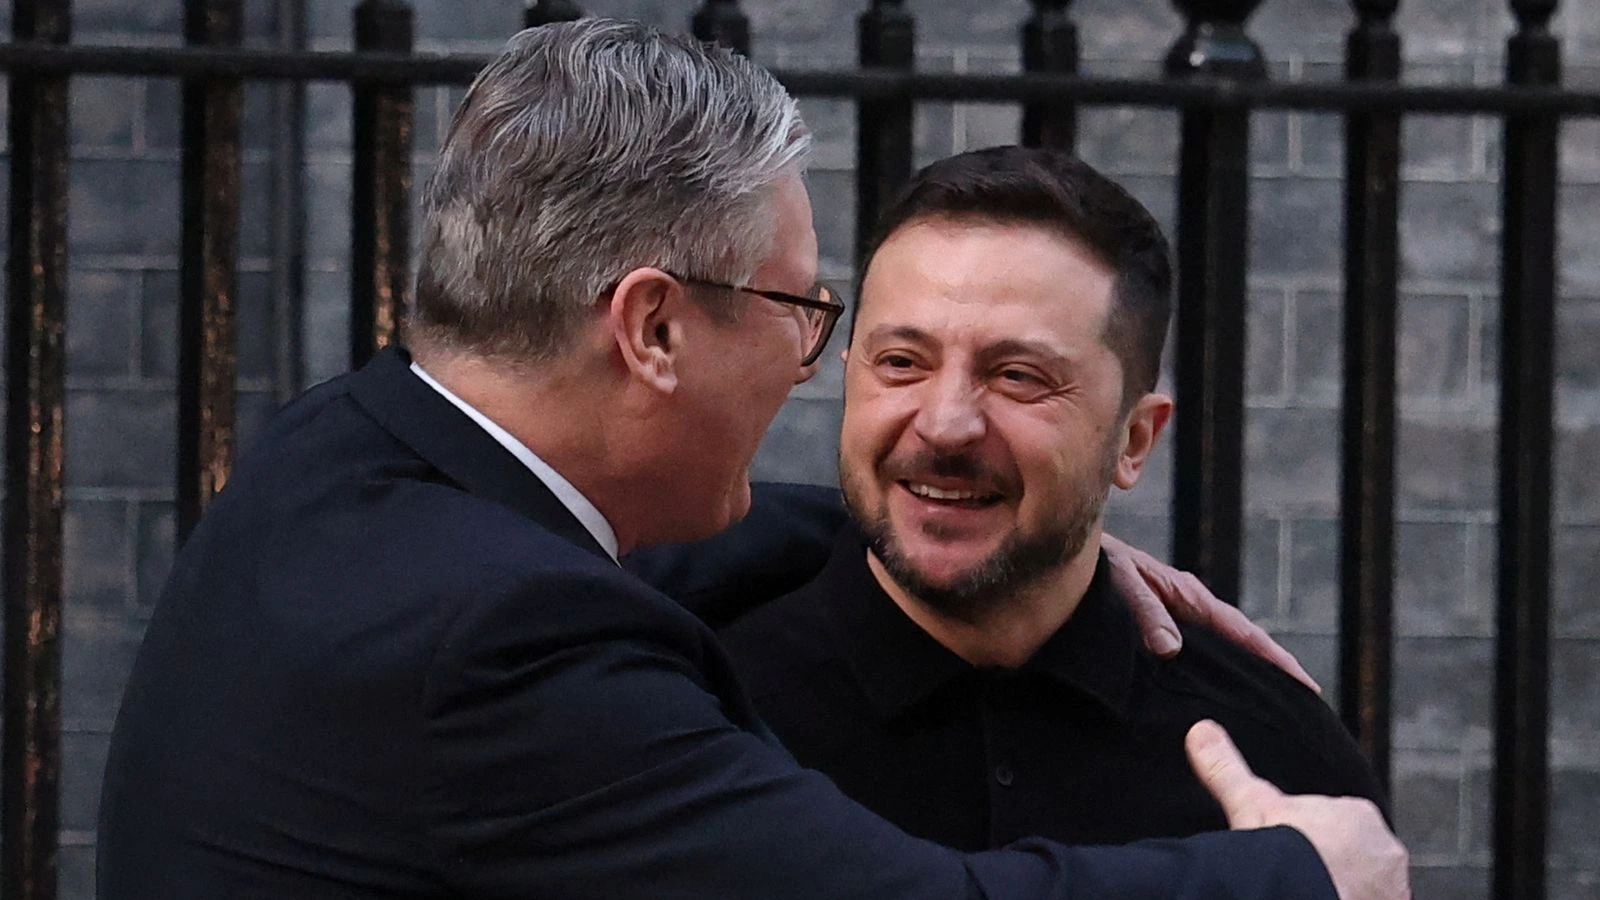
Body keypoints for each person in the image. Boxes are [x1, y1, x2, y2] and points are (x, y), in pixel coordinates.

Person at [97, 20, 1408, 900]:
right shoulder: (512, 641)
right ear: (656, 327)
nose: (805, 362)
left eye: (1022, 381)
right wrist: (1301, 871)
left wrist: (1011, 515)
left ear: (1134, 434)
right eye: (805, 316)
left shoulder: (341, 463)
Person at [720, 145, 1387, 853]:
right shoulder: (703, 716)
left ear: (1134, 440)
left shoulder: (1278, 767)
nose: (946, 424)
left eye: (1018, 377)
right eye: (902, 364)